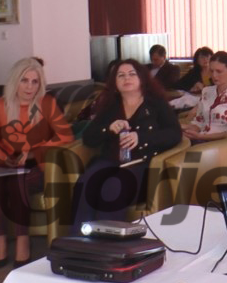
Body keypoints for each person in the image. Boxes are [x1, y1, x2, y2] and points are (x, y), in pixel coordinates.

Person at [71, 60, 181, 231]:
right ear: (114, 83)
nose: (126, 78)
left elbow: (175, 134)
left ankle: (107, 241)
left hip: (141, 164)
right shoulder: (110, 105)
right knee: (86, 182)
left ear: (142, 78)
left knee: (113, 186)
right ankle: (79, 240)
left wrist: (141, 137)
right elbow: (88, 138)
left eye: (131, 74)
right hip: (109, 161)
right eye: (120, 75)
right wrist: (108, 129)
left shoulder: (156, 104)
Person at [0, 57, 74, 268]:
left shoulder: (47, 103)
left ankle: (22, 240)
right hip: (8, 162)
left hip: (38, 165)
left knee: (18, 181)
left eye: (35, 82)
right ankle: (1, 241)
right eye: (24, 81)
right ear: (15, 81)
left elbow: (66, 135)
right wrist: (3, 156)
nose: (29, 87)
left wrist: (33, 152)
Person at [181, 51, 227, 142]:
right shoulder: (206, 91)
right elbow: (199, 122)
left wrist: (201, 137)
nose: (214, 75)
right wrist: (185, 128)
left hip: (222, 143)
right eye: (211, 71)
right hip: (200, 138)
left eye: (219, 71)